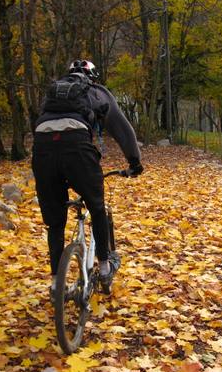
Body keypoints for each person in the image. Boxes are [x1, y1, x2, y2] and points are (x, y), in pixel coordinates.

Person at [32, 59, 143, 295]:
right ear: (92, 76)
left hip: (42, 150)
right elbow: (122, 128)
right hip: (77, 150)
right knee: (97, 206)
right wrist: (134, 162)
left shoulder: (52, 94)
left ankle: (55, 283)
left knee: (55, 222)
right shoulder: (96, 91)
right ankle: (104, 268)